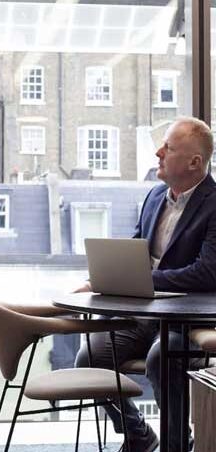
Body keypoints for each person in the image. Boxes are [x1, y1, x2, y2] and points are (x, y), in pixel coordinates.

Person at [75, 117, 216, 452]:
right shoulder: (154, 197)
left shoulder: (214, 204)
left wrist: (144, 279)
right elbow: (137, 251)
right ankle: (138, 433)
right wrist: (108, 276)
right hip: (143, 314)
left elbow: (207, 273)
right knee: (89, 359)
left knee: (161, 358)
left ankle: (176, 443)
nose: (158, 152)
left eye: (168, 148)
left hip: (187, 321)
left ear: (194, 162)